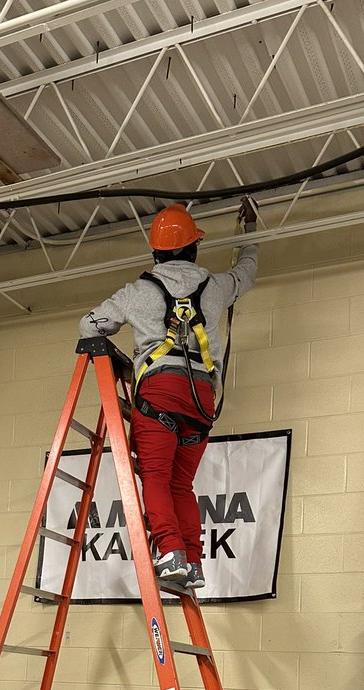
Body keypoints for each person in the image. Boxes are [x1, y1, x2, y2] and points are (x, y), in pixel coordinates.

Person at [79, 200, 258, 589]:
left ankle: (171, 552)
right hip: (200, 399)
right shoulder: (217, 287)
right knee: (181, 484)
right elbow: (246, 272)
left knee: (156, 477)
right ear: (193, 249)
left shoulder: (138, 291)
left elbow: (88, 325)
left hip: (159, 392)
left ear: (156, 252)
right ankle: (192, 561)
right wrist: (250, 234)